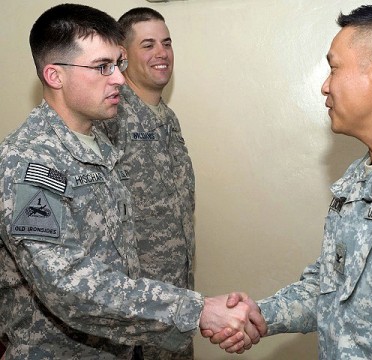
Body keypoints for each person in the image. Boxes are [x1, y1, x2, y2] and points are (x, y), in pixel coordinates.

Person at [206, 3, 372, 358]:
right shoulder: (357, 177)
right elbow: (332, 284)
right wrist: (262, 315)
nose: (325, 86)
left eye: (334, 68)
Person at [0, 4, 265, 359]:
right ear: (54, 76)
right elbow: (66, 284)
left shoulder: (100, 146)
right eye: (102, 67)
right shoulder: (31, 160)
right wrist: (195, 310)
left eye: (118, 64)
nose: (120, 80)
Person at [97, 8, 195, 359]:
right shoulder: (110, 117)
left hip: (177, 301)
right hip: (135, 309)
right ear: (123, 56)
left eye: (166, 43)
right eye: (148, 44)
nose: (161, 53)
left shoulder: (168, 119)